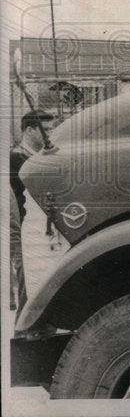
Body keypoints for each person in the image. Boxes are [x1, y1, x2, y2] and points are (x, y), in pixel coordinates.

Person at [9, 110, 55, 313]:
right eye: (45, 130)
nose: (50, 134)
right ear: (29, 130)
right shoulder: (17, 160)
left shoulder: (33, 158)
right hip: (23, 232)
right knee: (29, 289)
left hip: (36, 233)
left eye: (51, 129)